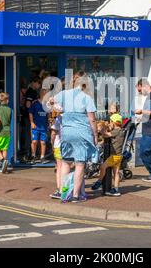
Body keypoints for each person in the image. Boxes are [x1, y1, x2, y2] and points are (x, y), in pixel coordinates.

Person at [51, 71, 98, 203]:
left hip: (66, 132)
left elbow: (49, 102)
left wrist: (58, 108)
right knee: (79, 164)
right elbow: (92, 120)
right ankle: (76, 195)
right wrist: (95, 135)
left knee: (66, 162)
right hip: (82, 133)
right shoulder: (87, 98)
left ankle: (65, 194)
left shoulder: (64, 94)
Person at [91, 113, 125, 197]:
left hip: (114, 156)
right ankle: (116, 189)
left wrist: (101, 131)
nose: (110, 124)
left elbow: (106, 135)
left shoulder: (116, 131)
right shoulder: (121, 130)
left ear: (114, 122)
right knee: (116, 173)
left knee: (103, 167)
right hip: (119, 155)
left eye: (110, 122)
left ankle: (99, 181)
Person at [21, 77, 42, 161]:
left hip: (31, 118)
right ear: (34, 82)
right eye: (38, 83)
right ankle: (27, 154)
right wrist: (35, 103)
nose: (39, 85)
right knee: (29, 136)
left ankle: (30, 154)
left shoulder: (31, 91)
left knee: (31, 137)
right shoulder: (31, 92)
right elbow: (28, 105)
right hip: (29, 118)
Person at [29, 89, 48, 163]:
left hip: (44, 126)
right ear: (41, 94)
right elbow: (30, 113)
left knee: (43, 142)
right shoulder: (35, 103)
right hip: (36, 126)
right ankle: (33, 156)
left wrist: (49, 121)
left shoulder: (47, 104)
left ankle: (42, 157)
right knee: (34, 141)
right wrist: (32, 122)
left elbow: (49, 114)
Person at [49, 104, 63, 199]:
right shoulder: (72, 117)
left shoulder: (59, 118)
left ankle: (60, 190)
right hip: (69, 146)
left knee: (59, 168)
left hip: (59, 145)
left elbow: (53, 133)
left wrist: (51, 143)